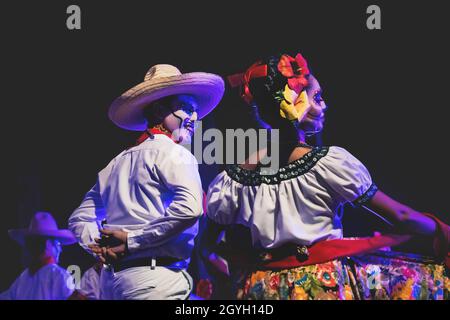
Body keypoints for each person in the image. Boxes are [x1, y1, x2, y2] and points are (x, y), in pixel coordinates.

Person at [202, 52, 449, 300]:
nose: (325, 105)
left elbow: (209, 245)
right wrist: (441, 230)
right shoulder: (328, 164)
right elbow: (401, 216)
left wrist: (245, 273)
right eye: (317, 97)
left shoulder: (235, 179)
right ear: (296, 103)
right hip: (319, 285)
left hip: (262, 287)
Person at [68, 64, 224, 300]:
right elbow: (190, 209)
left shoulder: (115, 163)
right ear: (160, 109)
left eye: (194, 110)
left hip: (113, 284)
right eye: (185, 107)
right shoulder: (176, 154)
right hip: (155, 281)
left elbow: (79, 218)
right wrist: (133, 240)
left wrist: (99, 246)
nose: (193, 117)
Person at [0, 211, 78, 300]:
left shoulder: (23, 279)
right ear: (49, 244)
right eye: (58, 244)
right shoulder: (58, 275)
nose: (60, 249)